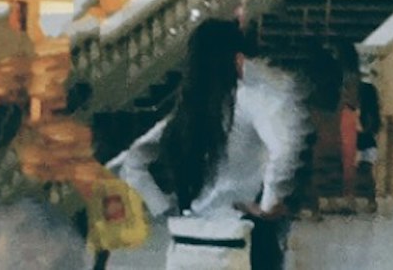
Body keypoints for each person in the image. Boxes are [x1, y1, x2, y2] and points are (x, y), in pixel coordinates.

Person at [105, 18, 304, 270]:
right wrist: (268, 204)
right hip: (240, 236)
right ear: (237, 58)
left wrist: (162, 207)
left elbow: (134, 160)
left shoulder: (184, 112)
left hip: (187, 242)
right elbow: (283, 150)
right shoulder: (250, 102)